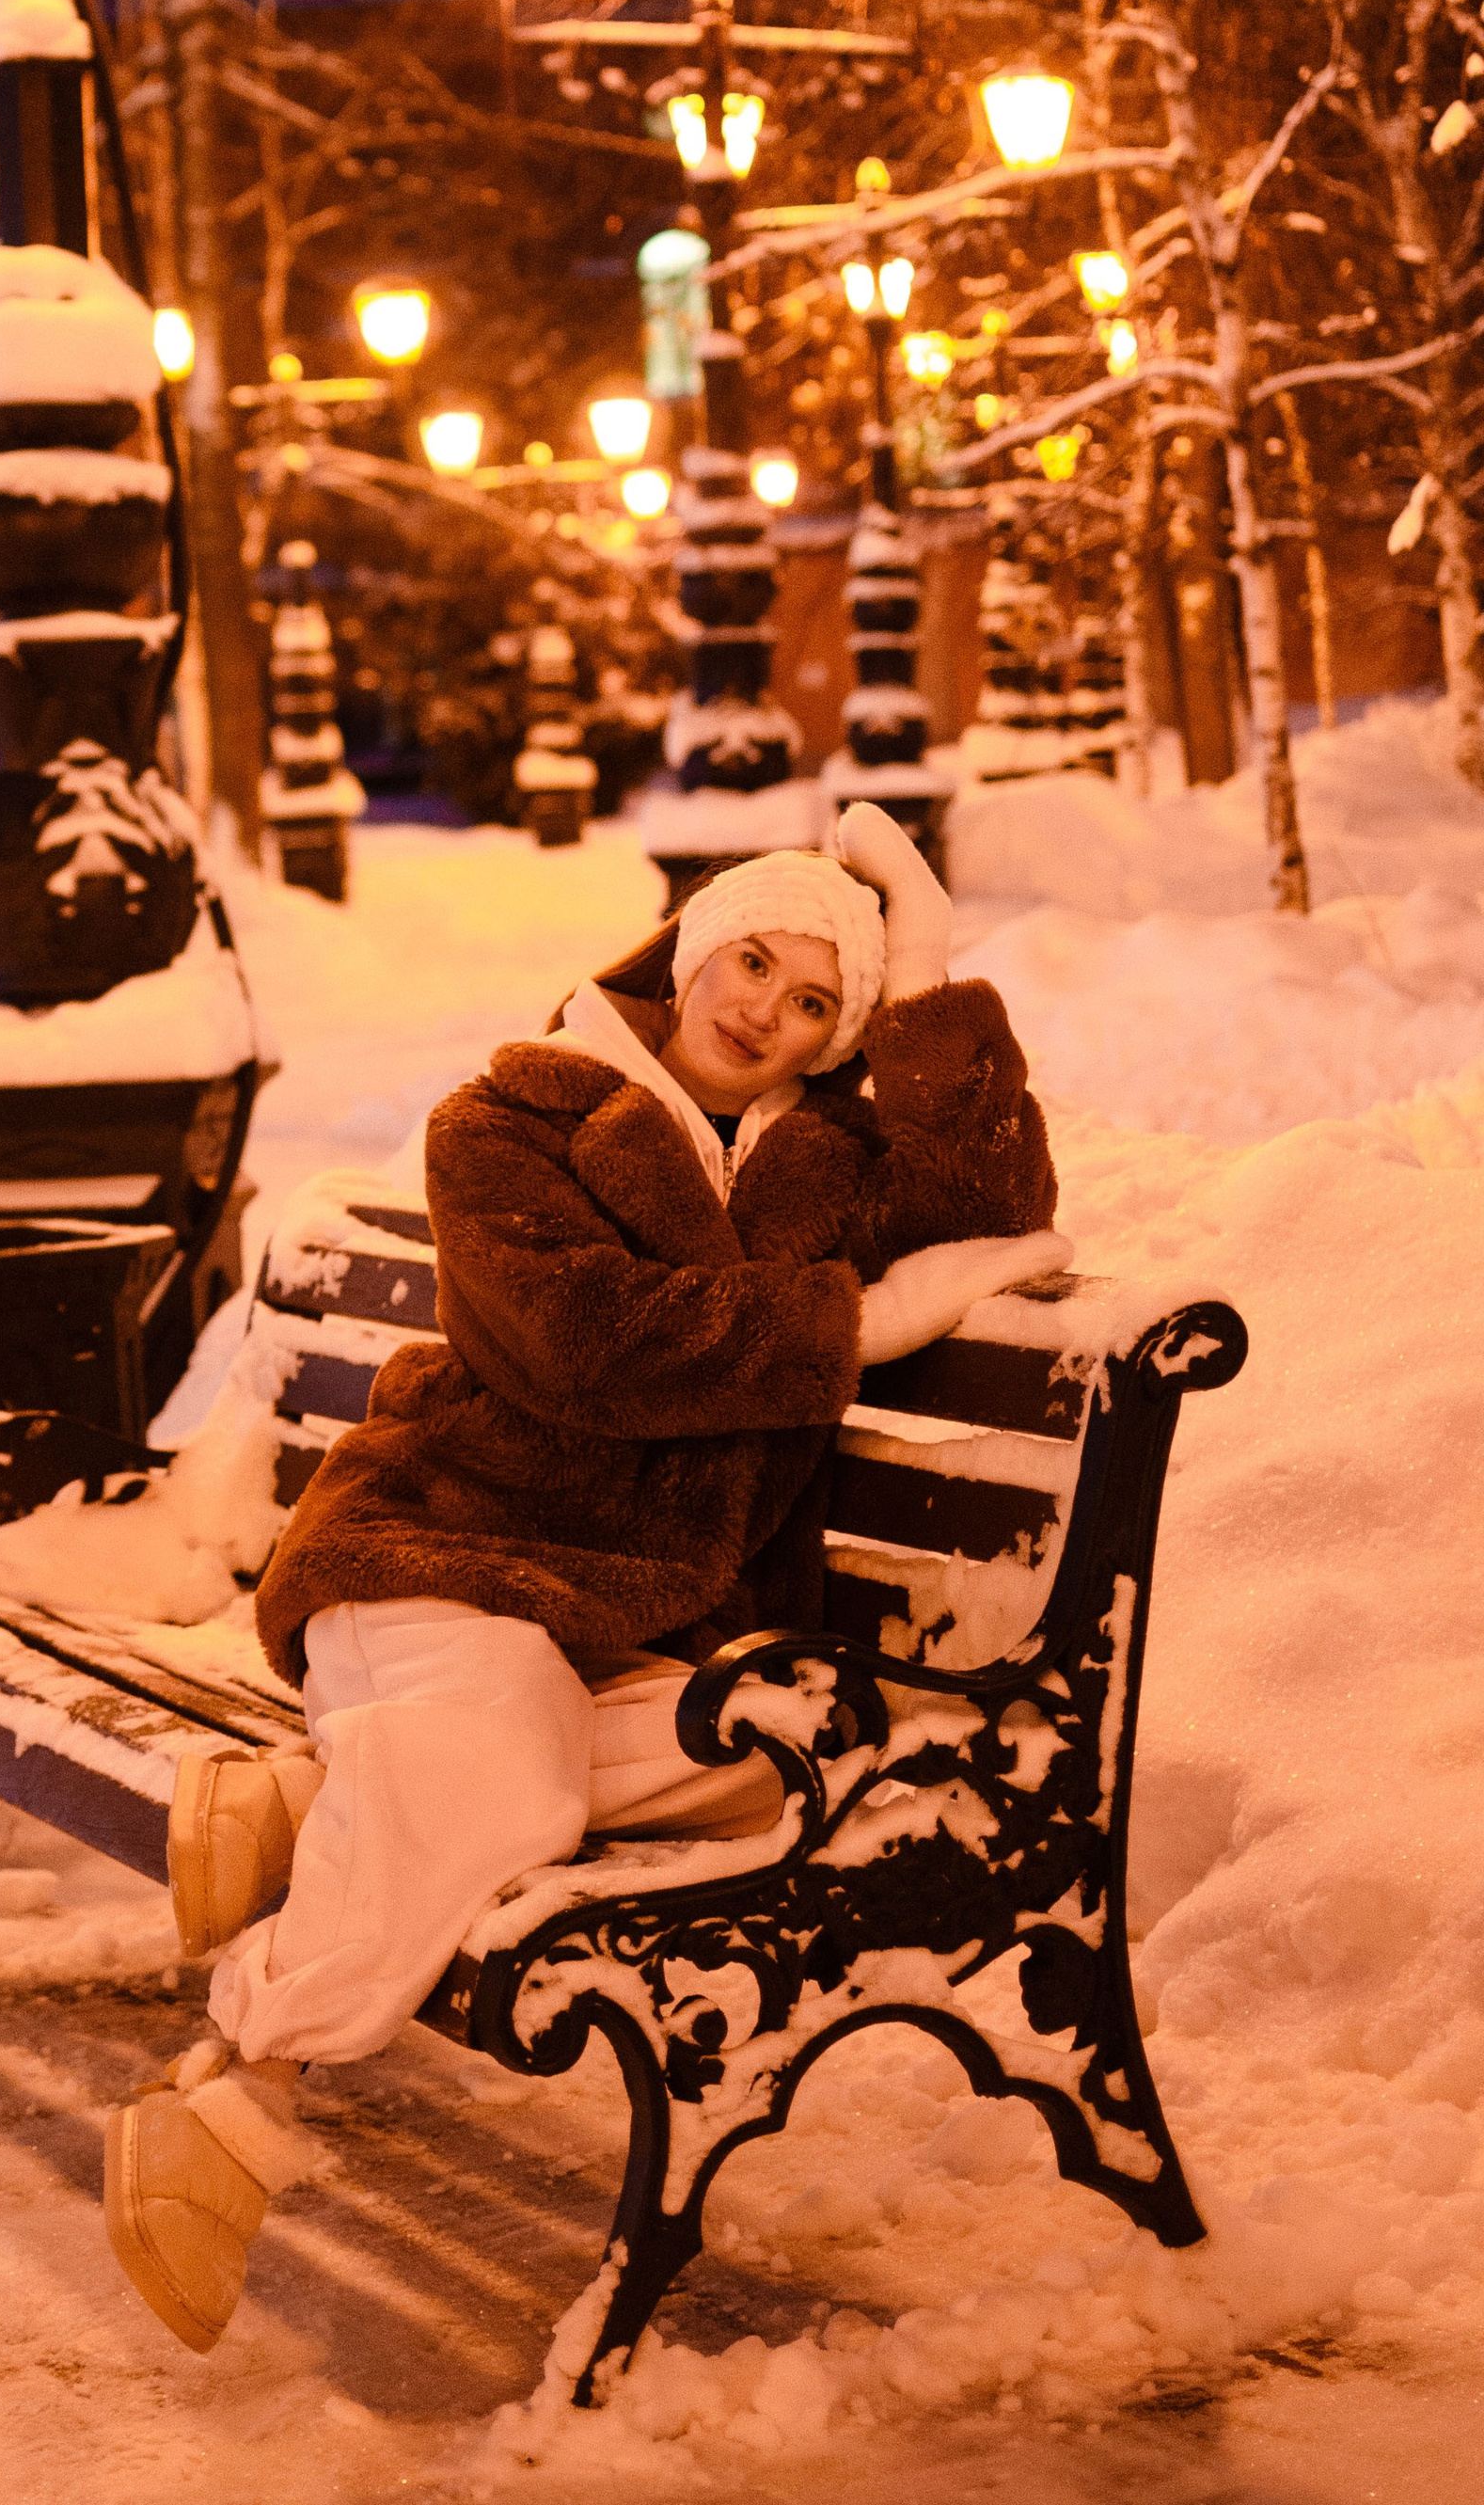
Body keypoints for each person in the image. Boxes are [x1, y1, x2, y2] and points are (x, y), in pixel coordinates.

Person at [102, 804, 1066, 2355]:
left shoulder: (822, 1154)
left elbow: (999, 1199)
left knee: (769, 1768)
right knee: (504, 1775)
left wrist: (934, 973)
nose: (764, 1009)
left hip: (636, 1621)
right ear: (696, 947)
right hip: (442, 1548)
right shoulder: (506, 1119)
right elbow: (590, 1344)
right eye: (751, 958)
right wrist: (853, 1329)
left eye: (817, 1001)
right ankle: (243, 2080)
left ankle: (310, 1797)